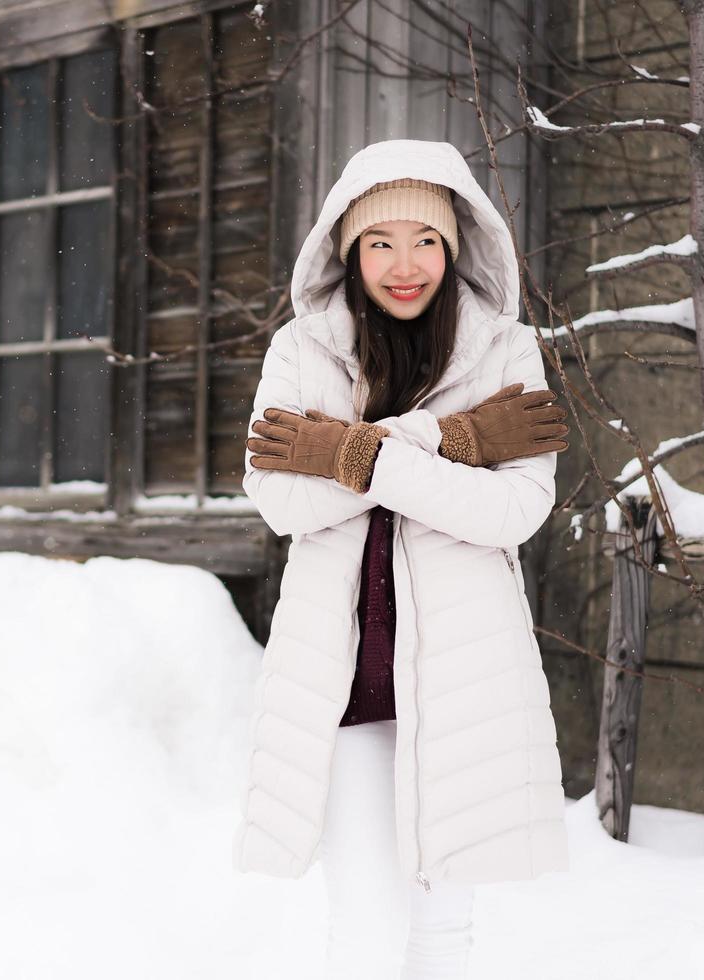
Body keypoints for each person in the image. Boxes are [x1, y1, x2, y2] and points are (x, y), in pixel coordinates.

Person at [232, 140, 573, 979]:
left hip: (464, 683)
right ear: (348, 250)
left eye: (425, 239)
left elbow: (512, 511)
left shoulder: (506, 350)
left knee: (443, 931)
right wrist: (453, 442)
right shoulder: (301, 350)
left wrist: (351, 453)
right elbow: (281, 500)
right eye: (378, 242)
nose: (403, 263)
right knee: (362, 928)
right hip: (339, 684)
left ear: (455, 245)